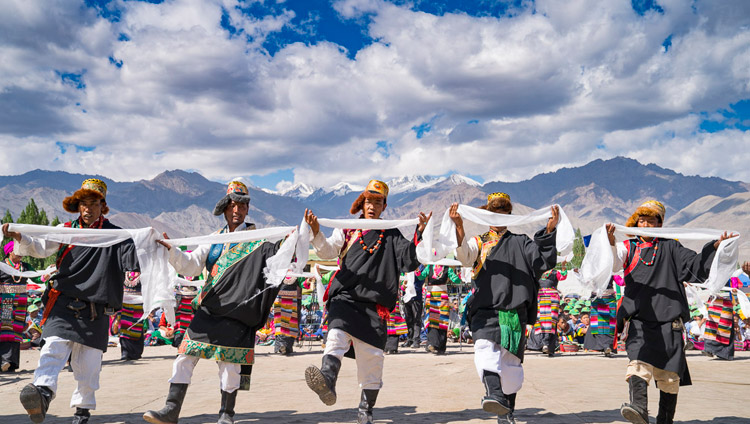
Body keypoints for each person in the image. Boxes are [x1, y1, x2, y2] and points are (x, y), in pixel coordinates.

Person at [144, 181, 285, 424]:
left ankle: (226, 414)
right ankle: (171, 410)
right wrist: (172, 251)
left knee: (230, 366)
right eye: (232, 205)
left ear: (248, 208)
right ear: (225, 208)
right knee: (184, 357)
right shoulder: (214, 239)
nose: (236, 210)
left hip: (238, 314)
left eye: (241, 205)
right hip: (210, 309)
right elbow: (191, 265)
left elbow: (279, 259)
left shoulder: (259, 239)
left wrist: (295, 239)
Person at [3, 179, 140, 424]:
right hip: (63, 302)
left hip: (95, 309)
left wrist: (142, 258)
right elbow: (40, 248)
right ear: (78, 206)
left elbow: (132, 259)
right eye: (83, 204)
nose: (88, 209)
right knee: (52, 347)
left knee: (88, 367)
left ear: (103, 205)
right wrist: (21, 237)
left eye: (93, 203)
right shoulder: (65, 229)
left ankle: (82, 410)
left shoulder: (116, 235)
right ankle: (42, 394)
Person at [303, 179, 431, 424]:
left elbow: (409, 260)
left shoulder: (391, 233)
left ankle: (365, 410)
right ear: (362, 204)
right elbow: (328, 251)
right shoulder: (348, 229)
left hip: (375, 305)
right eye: (369, 201)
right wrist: (317, 231)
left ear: (384, 207)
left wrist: (421, 233)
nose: (372, 206)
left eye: (378, 202)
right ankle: (327, 380)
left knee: (371, 358)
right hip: (345, 296)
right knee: (336, 335)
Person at [607, 200, 736, 424]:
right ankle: (638, 409)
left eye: (651, 220)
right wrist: (609, 242)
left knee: (669, 378)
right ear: (636, 222)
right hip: (639, 320)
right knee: (637, 364)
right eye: (642, 219)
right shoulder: (628, 247)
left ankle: (664, 420)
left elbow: (695, 265)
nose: (645, 224)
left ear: (660, 224)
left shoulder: (671, 247)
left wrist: (716, 247)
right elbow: (614, 262)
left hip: (669, 322)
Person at [454, 193, 559, 424]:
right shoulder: (478, 242)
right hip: (485, 310)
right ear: (486, 216)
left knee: (510, 365)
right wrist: (459, 228)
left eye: (503, 214)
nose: (498, 218)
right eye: (493, 213)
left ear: (509, 217)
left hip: (514, 313)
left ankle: (507, 413)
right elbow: (463, 257)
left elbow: (543, 262)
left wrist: (549, 230)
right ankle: (495, 395)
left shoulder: (522, 242)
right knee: (483, 349)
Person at [1, 241, 41, 372]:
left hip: (21, 303)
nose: (21, 254)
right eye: (18, 251)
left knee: (17, 330)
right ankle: (4, 361)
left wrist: (47, 273)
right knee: (6, 330)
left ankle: (12, 364)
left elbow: (37, 278)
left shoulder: (25, 266)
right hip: (5, 302)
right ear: (9, 252)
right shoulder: (2, 266)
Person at [416, 264, 462, 354]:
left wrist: (459, 276)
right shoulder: (429, 267)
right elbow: (421, 277)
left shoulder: (447, 269)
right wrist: (417, 271)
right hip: (431, 296)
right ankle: (432, 344)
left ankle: (440, 346)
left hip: (443, 296)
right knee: (432, 320)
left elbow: (456, 280)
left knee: (442, 320)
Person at [584, 277, 619, 357]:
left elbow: (621, 282)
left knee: (606, 324)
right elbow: (621, 282)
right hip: (599, 298)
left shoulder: (610, 269)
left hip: (607, 299)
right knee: (602, 325)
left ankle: (606, 346)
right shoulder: (596, 270)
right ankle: (606, 346)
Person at [273, 276, 303, 356]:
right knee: (280, 324)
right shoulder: (279, 272)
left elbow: (303, 284)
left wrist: (308, 281)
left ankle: (287, 347)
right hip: (279, 301)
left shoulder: (297, 273)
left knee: (291, 324)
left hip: (293, 301)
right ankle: (281, 346)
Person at [119, 271, 146, 361]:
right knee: (125, 327)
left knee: (136, 327)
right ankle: (125, 352)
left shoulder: (144, 270)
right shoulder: (123, 271)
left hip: (139, 301)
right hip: (125, 301)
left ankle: (135, 352)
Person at [400, 270, 424, 348]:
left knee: (416, 319)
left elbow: (421, 280)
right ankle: (409, 339)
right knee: (408, 319)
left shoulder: (420, 267)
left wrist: (417, 271)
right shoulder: (404, 269)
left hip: (416, 296)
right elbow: (401, 282)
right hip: (406, 297)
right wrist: (402, 287)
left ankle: (416, 340)